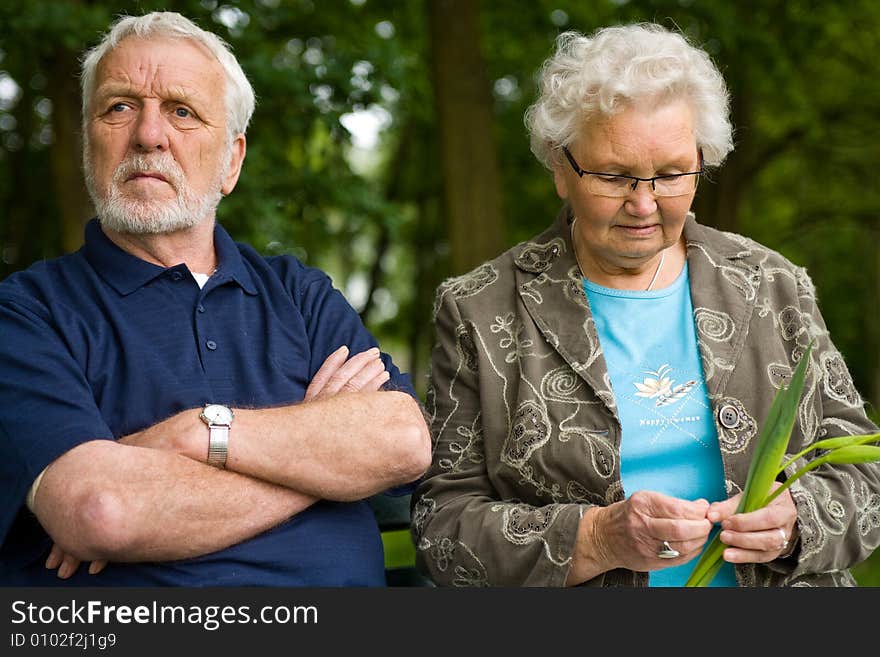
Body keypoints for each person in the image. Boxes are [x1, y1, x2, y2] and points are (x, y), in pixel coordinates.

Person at [411, 22, 880, 587]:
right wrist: (597, 538)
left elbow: (865, 472)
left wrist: (796, 523)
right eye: (615, 175)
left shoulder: (772, 285)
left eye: (670, 174)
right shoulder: (480, 310)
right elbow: (442, 528)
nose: (643, 203)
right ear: (561, 167)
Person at [0, 11, 431, 587]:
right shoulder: (25, 312)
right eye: (119, 106)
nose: (149, 134)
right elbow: (102, 509)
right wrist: (321, 459)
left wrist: (196, 434)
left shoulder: (299, 295)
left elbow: (400, 441)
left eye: (182, 112)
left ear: (231, 160)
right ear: (88, 143)